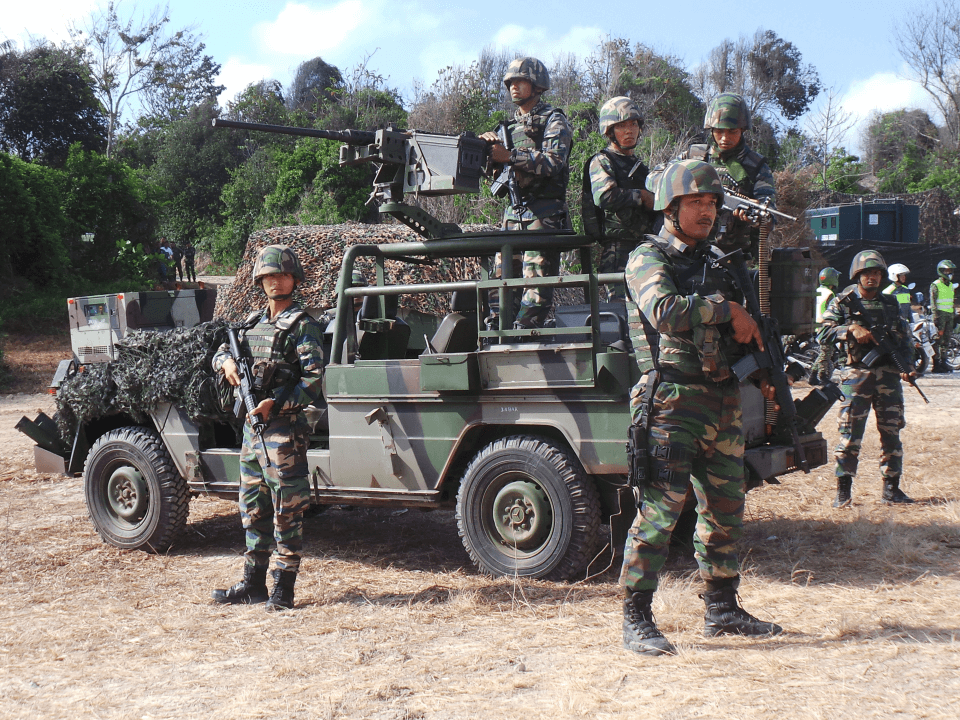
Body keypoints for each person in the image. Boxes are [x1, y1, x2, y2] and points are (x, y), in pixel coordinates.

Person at [619, 158, 782, 657]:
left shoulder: (720, 262)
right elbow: (665, 312)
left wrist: (761, 375)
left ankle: (721, 608)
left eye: (712, 202)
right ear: (671, 207)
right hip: (672, 401)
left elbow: (744, 331)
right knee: (661, 512)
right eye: (696, 202)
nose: (707, 210)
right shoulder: (648, 258)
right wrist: (724, 309)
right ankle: (636, 618)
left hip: (722, 398)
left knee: (726, 508)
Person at [211, 245, 324, 611]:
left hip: (283, 434)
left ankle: (283, 589)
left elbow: (314, 380)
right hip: (251, 432)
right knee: (253, 508)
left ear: (294, 279)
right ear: (260, 281)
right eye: (269, 276)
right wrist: (226, 364)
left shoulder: (303, 324)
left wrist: (277, 404)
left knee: (285, 509)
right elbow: (219, 352)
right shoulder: (251, 322)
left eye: (282, 275)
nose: (275, 282)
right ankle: (252, 584)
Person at [479, 56, 573, 328]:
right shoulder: (505, 129)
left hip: (544, 215)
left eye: (520, 81)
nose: (513, 87)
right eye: (510, 82)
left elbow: (553, 162)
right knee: (501, 282)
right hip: (513, 215)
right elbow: (494, 177)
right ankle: (498, 329)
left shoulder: (554, 120)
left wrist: (509, 156)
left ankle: (524, 333)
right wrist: (487, 153)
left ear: (537, 84)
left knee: (536, 286)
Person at [818, 250, 916, 507]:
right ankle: (843, 491)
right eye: (867, 273)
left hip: (889, 378)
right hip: (857, 376)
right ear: (857, 275)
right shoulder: (842, 302)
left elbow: (905, 339)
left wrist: (908, 366)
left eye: (876, 273)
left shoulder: (891, 304)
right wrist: (850, 328)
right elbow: (822, 333)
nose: (872, 277)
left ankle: (892, 488)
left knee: (892, 432)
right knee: (850, 434)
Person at [681, 92, 777, 259]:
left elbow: (769, 214)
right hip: (692, 252)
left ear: (742, 129)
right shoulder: (694, 156)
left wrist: (756, 219)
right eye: (719, 131)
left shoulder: (755, 166)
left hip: (736, 256)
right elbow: (657, 178)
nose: (725, 138)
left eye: (732, 131)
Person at [583, 96, 655, 301]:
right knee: (619, 309)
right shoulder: (602, 161)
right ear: (610, 131)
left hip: (643, 245)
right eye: (622, 125)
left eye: (633, 124)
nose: (629, 130)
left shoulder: (640, 167)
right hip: (617, 250)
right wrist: (640, 196)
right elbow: (605, 196)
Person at [809, 267, 840, 385]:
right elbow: (832, 311)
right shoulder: (830, 294)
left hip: (816, 324)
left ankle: (812, 376)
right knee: (826, 352)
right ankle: (823, 377)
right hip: (825, 325)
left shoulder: (817, 290)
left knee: (824, 352)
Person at [929, 259, 956, 373]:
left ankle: (944, 362)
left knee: (946, 340)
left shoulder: (950, 285)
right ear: (941, 271)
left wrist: (954, 314)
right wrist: (936, 318)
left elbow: (952, 301)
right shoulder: (936, 285)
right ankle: (936, 363)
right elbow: (933, 303)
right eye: (946, 270)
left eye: (950, 270)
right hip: (940, 316)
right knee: (938, 340)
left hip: (949, 316)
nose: (949, 273)